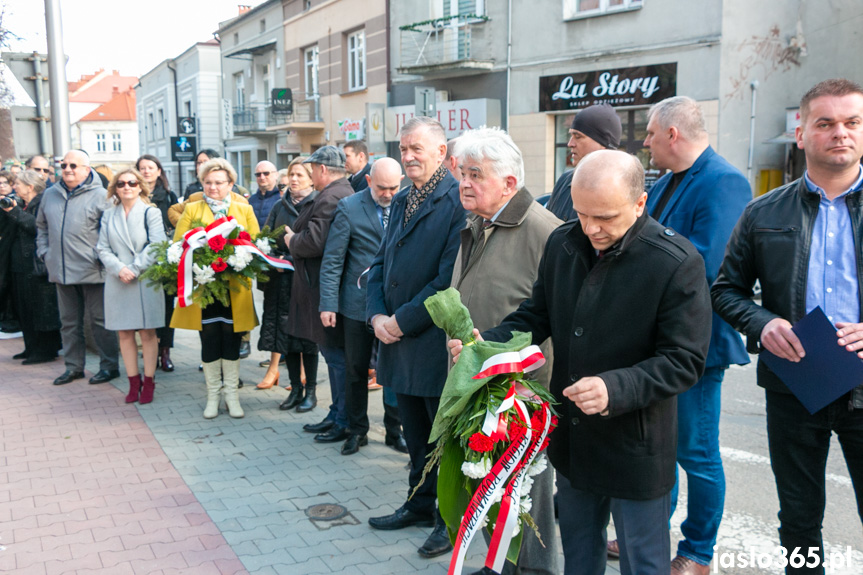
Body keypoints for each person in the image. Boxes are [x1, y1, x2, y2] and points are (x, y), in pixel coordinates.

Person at [450, 150, 712, 575]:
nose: (592, 228)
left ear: (640, 203)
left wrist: (615, 387)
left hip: (636, 444)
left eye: (605, 217)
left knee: (642, 562)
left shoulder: (675, 262)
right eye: (582, 213)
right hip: (575, 438)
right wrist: (488, 345)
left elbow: (684, 360)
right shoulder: (564, 242)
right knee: (579, 555)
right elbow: (537, 315)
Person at [712, 78, 863, 575]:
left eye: (852, 122)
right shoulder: (763, 212)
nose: (839, 133)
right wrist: (764, 322)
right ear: (802, 133)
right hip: (793, 384)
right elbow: (725, 290)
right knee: (798, 519)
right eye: (825, 123)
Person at [638, 95, 752, 575]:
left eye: (648, 133)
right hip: (656, 340)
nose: (644, 142)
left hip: (696, 347)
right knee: (659, 446)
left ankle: (697, 552)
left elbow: (707, 265)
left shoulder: (725, 182)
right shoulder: (665, 182)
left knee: (696, 453)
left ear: (672, 134)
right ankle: (649, 534)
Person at [450, 127, 563, 575]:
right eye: (461, 172)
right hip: (481, 381)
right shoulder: (479, 221)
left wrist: (537, 390)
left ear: (510, 183)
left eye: (476, 174)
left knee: (528, 491)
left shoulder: (544, 230)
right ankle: (501, 565)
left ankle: (532, 571)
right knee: (489, 483)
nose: (464, 182)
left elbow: (553, 317)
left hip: (523, 391)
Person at [365, 116, 466, 559]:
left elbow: (447, 279)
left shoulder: (455, 201)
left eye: (417, 149)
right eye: (403, 148)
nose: (407, 156)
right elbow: (380, 263)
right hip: (395, 338)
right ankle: (418, 503)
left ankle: (449, 519)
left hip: (428, 341)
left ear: (441, 153)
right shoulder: (404, 196)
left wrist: (401, 320)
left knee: (438, 438)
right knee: (413, 432)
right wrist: (374, 315)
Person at [319, 157, 408, 455]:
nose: (388, 194)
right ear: (369, 181)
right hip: (357, 307)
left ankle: (395, 431)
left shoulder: (408, 203)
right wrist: (328, 304)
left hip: (395, 308)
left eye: (394, 187)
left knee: (393, 372)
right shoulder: (349, 207)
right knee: (356, 370)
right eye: (382, 188)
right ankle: (357, 431)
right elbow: (333, 260)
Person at [172, 158, 260, 418]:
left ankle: (232, 396)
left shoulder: (244, 209)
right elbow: (178, 245)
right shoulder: (192, 209)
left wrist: (238, 256)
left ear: (231, 184)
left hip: (234, 288)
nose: (213, 187)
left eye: (219, 183)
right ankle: (213, 396)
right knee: (209, 338)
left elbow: (255, 242)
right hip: (203, 287)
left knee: (231, 339)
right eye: (208, 182)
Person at [283, 146, 353, 439]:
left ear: (323, 170)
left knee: (336, 360)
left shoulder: (331, 196)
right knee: (334, 358)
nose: (310, 173)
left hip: (325, 292)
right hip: (324, 290)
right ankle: (337, 413)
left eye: (312, 168)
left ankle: (343, 417)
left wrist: (291, 240)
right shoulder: (338, 192)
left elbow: (315, 242)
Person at [36, 150, 120, 386]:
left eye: (73, 165)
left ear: (86, 169)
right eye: (64, 165)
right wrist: (45, 253)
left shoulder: (102, 196)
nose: (68, 169)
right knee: (69, 322)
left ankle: (109, 366)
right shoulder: (50, 194)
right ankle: (74, 368)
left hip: (93, 270)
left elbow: (111, 233)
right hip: (61, 270)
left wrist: (101, 258)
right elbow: (41, 227)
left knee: (100, 322)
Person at [96, 169, 167, 404]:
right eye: (121, 183)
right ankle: (133, 382)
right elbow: (102, 248)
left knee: (148, 333)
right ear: (115, 188)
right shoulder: (108, 215)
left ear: (140, 187)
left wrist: (134, 269)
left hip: (145, 278)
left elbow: (157, 244)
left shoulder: (151, 213)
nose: (127, 186)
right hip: (118, 280)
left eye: (132, 182)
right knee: (124, 333)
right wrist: (119, 269)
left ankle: (149, 382)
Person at [257, 157, 320, 410]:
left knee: (308, 340)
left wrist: (294, 253)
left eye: (300, 175)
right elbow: (267, 237)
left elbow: (317, 242)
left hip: (306, 282)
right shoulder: (279, 205)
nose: (294, 180)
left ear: (312, 179)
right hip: (281, 282)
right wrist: (272, 255)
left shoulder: (318, 203)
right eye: (292, 174)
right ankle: (295, 389)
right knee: (288, 337)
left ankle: (311, 391)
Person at [2, 170, 61, 363]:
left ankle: (44, 350)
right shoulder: (20, 203)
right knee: (23, 309)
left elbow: (37, 227)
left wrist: (15, 212)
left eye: (17, 184)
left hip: (37, 267)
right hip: (19, 266)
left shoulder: (43, 203)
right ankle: (30, 347)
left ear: (30, 186)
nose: (14, 187)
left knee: (41, 310)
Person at [136, 154, 179, 373]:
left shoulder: (169, 196)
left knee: (166, 308)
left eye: (150, 167)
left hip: (163, 258)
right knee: (145, 307)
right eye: (142, 168)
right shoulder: (134, 195)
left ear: (158, 171)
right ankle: (148, 350)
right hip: (138, 258)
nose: (146, 171)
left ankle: (165, 352)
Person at [545, 104, 622, 221]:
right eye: (571, 135)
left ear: (604, 144)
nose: (570, 143)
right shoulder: (565, 180)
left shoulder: (625, 187)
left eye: (578, 137)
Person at [0, 169, 21, 337]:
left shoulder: (15, 202)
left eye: (5, 183)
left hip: (11, 247)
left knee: (7, 281)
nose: (1, 186)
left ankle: (10, 319)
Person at [183, 149, 251, 200]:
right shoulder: (191, 190)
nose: (201, 166)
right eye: (199, 163)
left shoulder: (238, 191)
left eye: (218, 183)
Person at [249, 161, 281, 229]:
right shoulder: (251, 200)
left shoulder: (282, 199)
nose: (262, 177)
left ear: (276, 175)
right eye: (258, 174)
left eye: (266, 173)